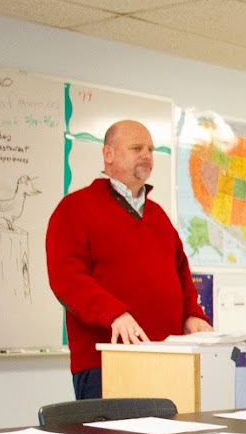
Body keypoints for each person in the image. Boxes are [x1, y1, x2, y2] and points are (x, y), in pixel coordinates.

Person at [46, 120, 211, 399]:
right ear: (108, 154)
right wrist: (113, 313)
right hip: (107, 364)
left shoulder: (158, 216)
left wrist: (192, 314)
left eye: (150, 149)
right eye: (136, 148)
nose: (146, 155)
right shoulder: (75, 209)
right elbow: (67, 280)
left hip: (168, 360)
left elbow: (181, 272)